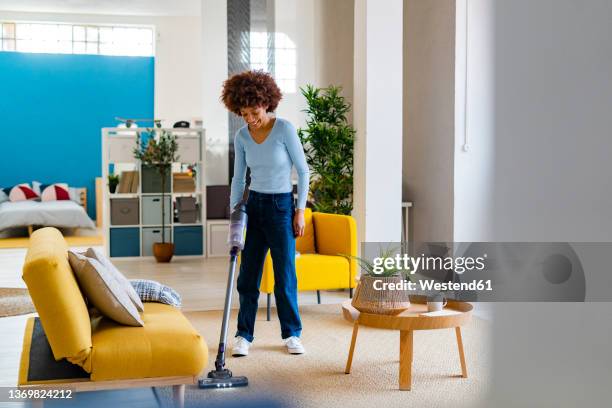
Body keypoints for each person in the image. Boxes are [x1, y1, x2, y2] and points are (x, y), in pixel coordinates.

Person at [221, 70, 310, 356]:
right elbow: (238, 178)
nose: (249, 119)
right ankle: (243, 335)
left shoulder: (284, 129)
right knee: (248, 276)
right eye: (244, 113)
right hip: (254, 206)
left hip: (282, 206)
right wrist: (236, 212)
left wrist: (300, 211)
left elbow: (304, 171)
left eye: (254, 111)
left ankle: (292, 334)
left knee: (285, 275)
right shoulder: (242, 136)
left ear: (266, 102)